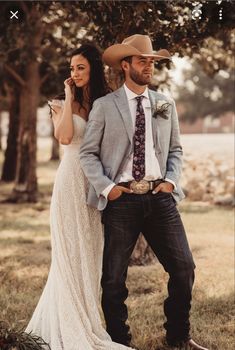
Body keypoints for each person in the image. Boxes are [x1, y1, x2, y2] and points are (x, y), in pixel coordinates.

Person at [80, 35, 209, 350]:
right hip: (121, 200)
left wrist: (171, 181)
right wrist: (108, 189)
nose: (149, 66)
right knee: (113, 279)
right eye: (142, 61)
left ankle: (178, 337)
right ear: (126, 65)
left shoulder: (165, 103)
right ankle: (119, 342)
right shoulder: (105, 106)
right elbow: (87, 154)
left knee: (183, 268)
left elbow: (175, 149)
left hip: (160, 198)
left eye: (152, 61)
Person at [26, 44, 135, 350]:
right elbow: (63, 137)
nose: (74, 73)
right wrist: (69, 96)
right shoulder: (60, 103)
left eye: (81, 68)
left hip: (96, 183)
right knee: (68, 252)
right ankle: (70, 322)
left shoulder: (107, 102)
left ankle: (88, 319)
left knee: (90, 251)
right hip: (69, 180)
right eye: (71, 68)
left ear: (93, 70)